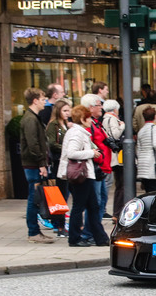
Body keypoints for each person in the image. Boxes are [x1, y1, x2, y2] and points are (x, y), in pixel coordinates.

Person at [56, 105, 109, 247]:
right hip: (80, 175)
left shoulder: (79, 132)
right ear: (82, 119)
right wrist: (91, 153)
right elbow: (71, 153)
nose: (91, 120)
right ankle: (75, 238)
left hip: (84, 174)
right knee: (80, 207)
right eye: (89, 117)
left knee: (93, 207)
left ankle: (100, 238)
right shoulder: (76, 133)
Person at [20, 87, 54, 244]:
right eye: (42, 99)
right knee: (34, 198)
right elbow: (33, 144)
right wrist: (41, 163)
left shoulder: (33, 118)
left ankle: (35, 231)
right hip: (33, 164)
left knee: (35, 197)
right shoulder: (30, 119)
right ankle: (33, 231)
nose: (44, 102)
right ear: (34, 101)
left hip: (34, 163)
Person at [80, 94, 112, 223]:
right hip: (95, 167)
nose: (101, 107)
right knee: (95, 201)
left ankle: (95, 228)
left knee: (101, 200)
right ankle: (91, 230)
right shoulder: (89, 125)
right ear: (90, 107)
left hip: (102, 167)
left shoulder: (97, 123)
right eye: (99, 105)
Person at [45, 99, 73, 237]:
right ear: (58, 111)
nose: (68, 113)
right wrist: (68, 149)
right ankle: (59, 225)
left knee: (65, 193)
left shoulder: (67, 124)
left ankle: (61, 223)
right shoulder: (53, 125)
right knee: (61, 194)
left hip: (67, 162)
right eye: (65, 110)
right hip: (58, 162)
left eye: (69, 110)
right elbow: (52, 144)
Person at [102, 99, 125, 221]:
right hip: (117, 157)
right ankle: (117, 212)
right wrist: (122, 126)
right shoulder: (111, 119)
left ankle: (117, 212)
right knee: (121, 184)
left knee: (120, 184)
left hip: (115, 156)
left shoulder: (107, 119)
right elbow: (115, 135)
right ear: (115, 109)